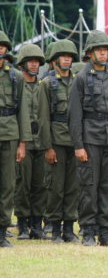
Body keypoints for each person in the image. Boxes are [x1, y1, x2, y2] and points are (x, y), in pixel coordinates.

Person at [68, 30, 108, 247]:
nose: (103, 54)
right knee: (88, 187)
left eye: (106, 50)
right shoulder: (81, 78)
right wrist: (78, 145)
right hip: (90, 138)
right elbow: (75, 115)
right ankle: (87, 231)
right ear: (90, 53)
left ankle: (105, 232)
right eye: (99, 50)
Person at [38, 40, 81, 244]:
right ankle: (55, 228)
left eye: (69, 56)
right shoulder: (47, 83)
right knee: (56, 186)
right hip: (56, 140)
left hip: (75, 141)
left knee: (73, 186)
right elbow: (43, 118)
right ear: (55, 60)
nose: (66, 59)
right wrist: (47, 146)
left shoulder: (78, 81)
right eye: (63, 56)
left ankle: (69, 228)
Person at [14, 44, 49, 240]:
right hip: (23, 141)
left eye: (37, 61)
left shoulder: (44, 86)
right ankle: (22, 224)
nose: (35, 64)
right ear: (22, 63)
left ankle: (37, 225)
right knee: (22, 184)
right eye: (31, 61)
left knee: (40, 185)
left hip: (41, 141)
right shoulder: (18, 85)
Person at [0, 31, 30, 248]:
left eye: (2, 46)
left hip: (10, 134)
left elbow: (23, 112)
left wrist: (22, 143)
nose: (0, 49)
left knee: (8, 184)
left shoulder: (15, 76)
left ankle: (2, 230)